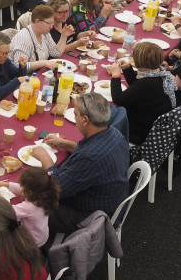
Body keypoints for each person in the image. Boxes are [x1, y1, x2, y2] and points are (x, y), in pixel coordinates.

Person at [31, 93, 129, 233]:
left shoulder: (90, 158)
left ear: (85, 120)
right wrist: (64, 144)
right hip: (111, 201)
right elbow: (89, 149)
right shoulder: (114, 133)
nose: (75, 117)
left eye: (75, 114)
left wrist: (44, 157)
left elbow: (56, 188)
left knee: (34, 203)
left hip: (94, 218)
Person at [107, 42, 174, 144]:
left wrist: (115, 76)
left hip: (139, 133)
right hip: (152, 124)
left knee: (107, 114)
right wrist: (128, 68)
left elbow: (118, 99)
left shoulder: (146, 84)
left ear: (138, 62)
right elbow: (136, 85)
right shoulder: (159, 73)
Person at [9, 5, 65, 72]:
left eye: (52, 24)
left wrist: (64, 36)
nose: (51, 27)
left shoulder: (44, 33)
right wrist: (44, 63)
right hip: (25, 78)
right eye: (49, 23)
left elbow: (55, 53)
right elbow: (19, 67)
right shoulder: (23, 38)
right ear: (37, 21)